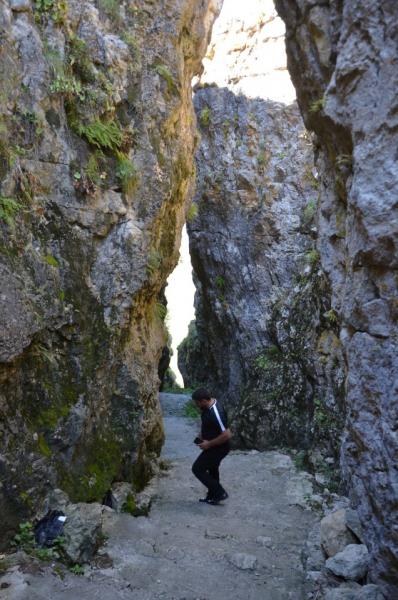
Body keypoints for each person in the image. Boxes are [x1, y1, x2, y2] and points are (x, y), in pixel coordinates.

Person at [191, 387, 231, 505]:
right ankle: (212, 496)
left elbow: (227, 435)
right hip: (215, 446)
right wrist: (203, 434)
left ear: (204, 401)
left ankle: (220, 493)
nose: (196, 405)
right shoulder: (209, 406)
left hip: (220, 447)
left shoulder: (216, 412)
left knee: (197, 468)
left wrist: (209, 444)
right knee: (212, 468)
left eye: (197, 403)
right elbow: (211, 425)